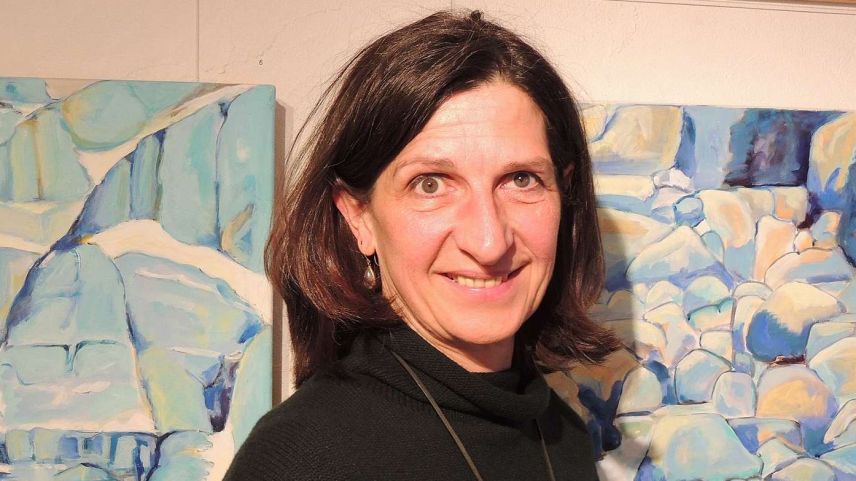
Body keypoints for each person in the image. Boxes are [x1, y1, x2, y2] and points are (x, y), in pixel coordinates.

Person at [224, 10, 620, 481]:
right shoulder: (300, 458)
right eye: (430, 184)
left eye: (521, 179)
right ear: (358, 216)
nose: (489, 242)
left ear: (564, 194)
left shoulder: (564, 436)